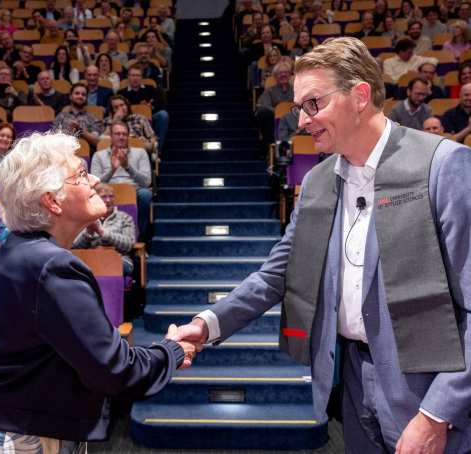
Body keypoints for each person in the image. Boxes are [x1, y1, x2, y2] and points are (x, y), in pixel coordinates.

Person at [173, 37, 471, 453]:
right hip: (350, 380)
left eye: (313, 104)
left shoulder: (443, 165)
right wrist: (206, 324)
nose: (302, 120)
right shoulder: (316, 180)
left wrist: (438, 412)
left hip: (426, 394)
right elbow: (277, 273)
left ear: (360, 96)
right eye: (299, 108)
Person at [0, 131, 194, 452]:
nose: (93, 178)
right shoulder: (52, 267)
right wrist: (172, 351)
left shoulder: (14, 250)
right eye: (79, 173)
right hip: (13, 435)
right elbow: (115, 369)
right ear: (52, 200)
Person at [91, 122, 152, 241]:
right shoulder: (99, 155)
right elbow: (95, 183)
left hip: (134, 190)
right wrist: (112, 170)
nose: (121, 137)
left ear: (128, 136)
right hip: (106, 191)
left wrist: (128, 166)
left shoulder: (140, 153)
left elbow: (147, 182)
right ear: (111, 136)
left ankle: (141, 239)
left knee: (145, 194)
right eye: (117, 134)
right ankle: (98, 238)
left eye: (124, 134)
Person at [73, 183, 136, 275]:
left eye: (111, 196)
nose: (108, 200)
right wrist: (88, 233)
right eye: (104, 197)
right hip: (90, 258)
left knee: (116, 266)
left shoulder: (125, 218)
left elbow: (128, 245)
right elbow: (75, 247)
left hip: (118, 258)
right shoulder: (85, 218)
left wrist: (102, 233)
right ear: (95, 199)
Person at [53, 82, 102, 147]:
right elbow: (53, 140)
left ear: (86, 98)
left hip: (87, 154)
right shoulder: (61, 116)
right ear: (70, 96)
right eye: (77, 93)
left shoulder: (92, 118)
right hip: (64, 153)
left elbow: (97, 143)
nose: (80, 96)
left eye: (83, 94)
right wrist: (69, 131)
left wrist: (80, 130)